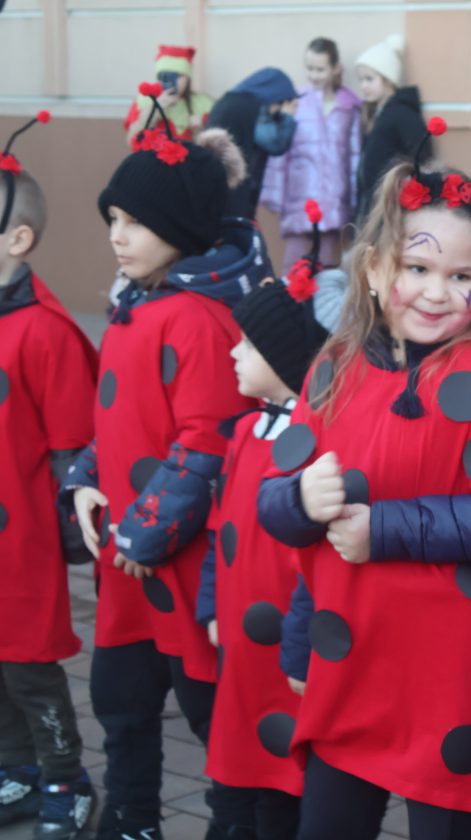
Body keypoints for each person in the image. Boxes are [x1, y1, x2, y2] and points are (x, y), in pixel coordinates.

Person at [256, 119, 471, 840]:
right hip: (353, 662)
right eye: (416, 269)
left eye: (460, 277)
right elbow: (276, 500)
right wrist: (301, 500)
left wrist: (383, 530)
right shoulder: (336, 367)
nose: (434, 292)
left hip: (451, 670)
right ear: (372, 269)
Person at [61, 87, 269, 840]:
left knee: (212, 714)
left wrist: (141, 536)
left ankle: (234, 823)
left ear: (179, 227)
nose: (118, 235)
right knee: (121, 703)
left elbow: (205, 443)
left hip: (175, 564)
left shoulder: (194, 317)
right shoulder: (138, 306)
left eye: (135, 222)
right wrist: (86, 482)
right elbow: (114, 426)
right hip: (129, 557)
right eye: (113, 219)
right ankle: (133, 818)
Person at [195, 203, 331, 840]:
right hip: (239, 646)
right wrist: (210, 606)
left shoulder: (312, 443)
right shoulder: (245, 430)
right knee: (231, 772)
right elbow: (217, 527)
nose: (232, 352)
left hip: (285, 651)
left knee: (283, 780)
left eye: (247, 345)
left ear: (285, 362)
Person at [0, 112, 98, 840]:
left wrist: (74, 534)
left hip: (20, 535)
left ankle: (66, 779)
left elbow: (73, 446)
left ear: (18, 240)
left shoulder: (44, 330)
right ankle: (17, 772)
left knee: (29, 662)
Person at [261, 38, 361, 273]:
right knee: (293, 265)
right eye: (310, 68)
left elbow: (354, 156)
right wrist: (275, 195)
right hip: (299, 196)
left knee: (325, 266)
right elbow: (281, 151)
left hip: (334, 198)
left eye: (320, 69)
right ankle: (290, 309)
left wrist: (354, 198)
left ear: (335, 68)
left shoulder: (349, 107)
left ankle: (319, 310)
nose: (314, 75)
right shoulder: (296, 102)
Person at [206, 68, 299, 219]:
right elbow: (275, 143)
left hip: (215, 186)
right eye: (281, 102)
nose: (277, 110)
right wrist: (288, 117)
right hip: (234, 191)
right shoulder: (254, 106)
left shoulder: (229, 100)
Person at [354, 34, 426, 221]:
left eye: (369, 79)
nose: (363, 86)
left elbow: (422, 154)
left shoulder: (402, 114)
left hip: (391, 203)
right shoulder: (377, 113)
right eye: (361, 80)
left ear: (388, 80)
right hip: (373, 200)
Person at [123, 45, 214, 143]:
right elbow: (132, 141)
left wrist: (198, 131)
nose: (170, 81)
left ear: (188, 78)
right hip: (153, 157)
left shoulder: (205, 104)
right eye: (164, 76)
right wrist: (154, 110)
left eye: (177, 76)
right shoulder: (144, 101)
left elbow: (214, 151)